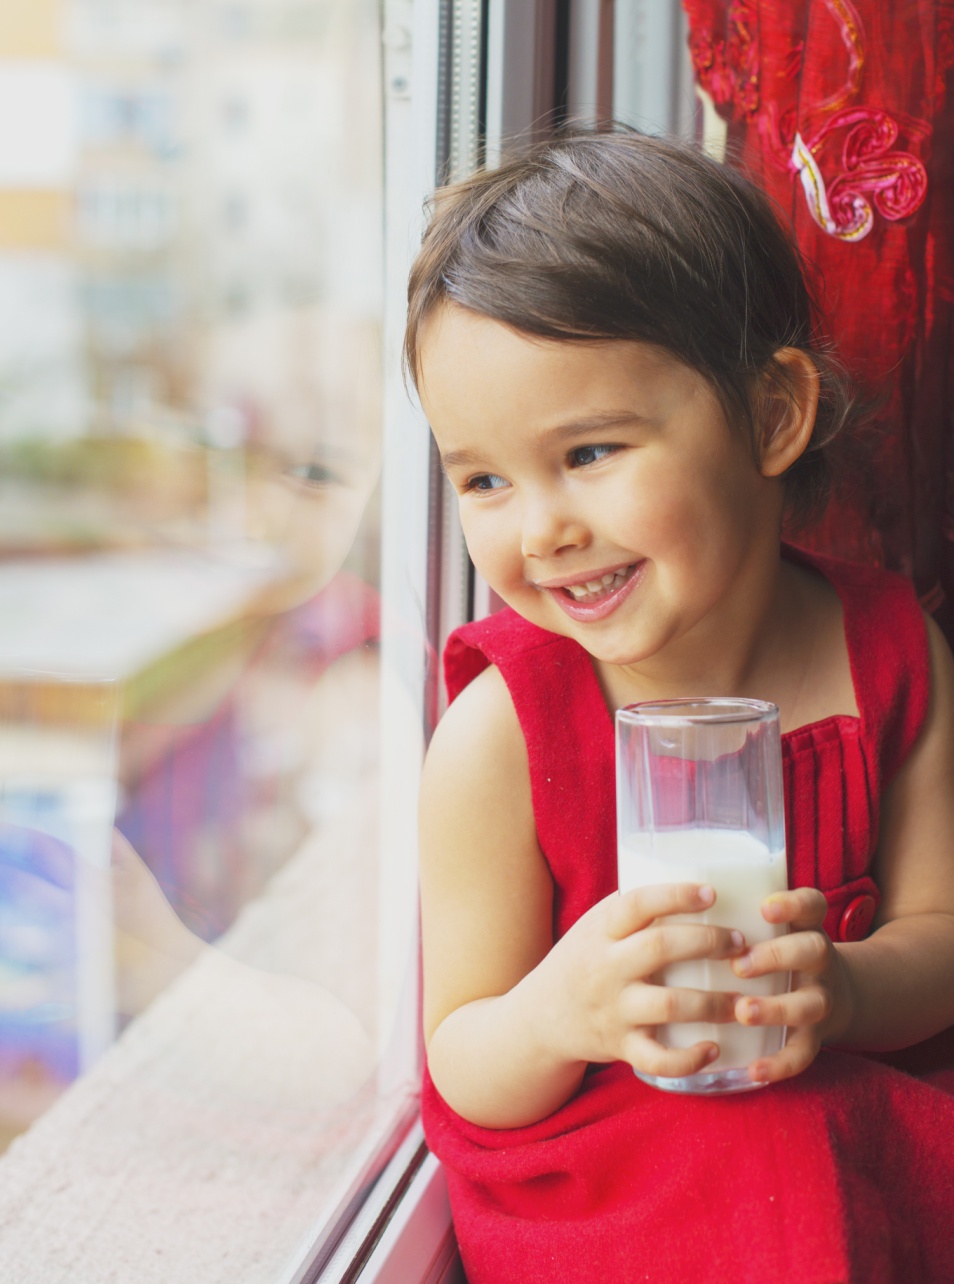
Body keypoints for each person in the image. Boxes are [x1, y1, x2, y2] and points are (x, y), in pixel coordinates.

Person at [407, 128, 954, 1283]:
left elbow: (944, 942)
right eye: (485, 480)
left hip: (851, 1147)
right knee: (770, 1139)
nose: (539, 528)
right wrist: (565, 1013)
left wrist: (845, 987)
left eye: (590, 451)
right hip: (623, 1196)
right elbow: (462, 1057)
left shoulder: (893, 656)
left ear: (771, 419)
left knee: (815, 1130)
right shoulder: (503, 732)